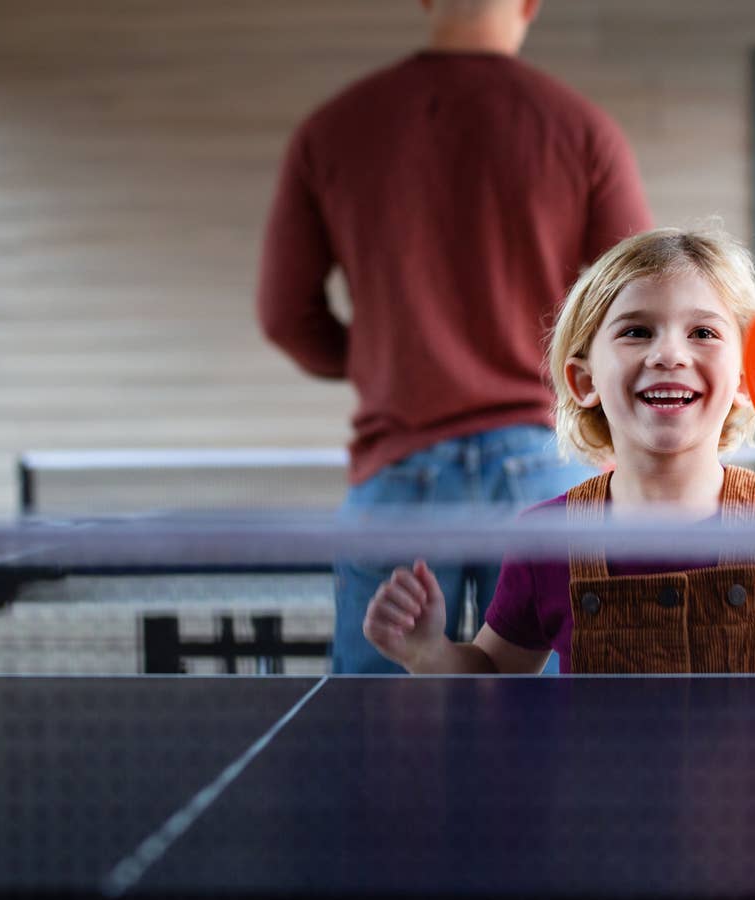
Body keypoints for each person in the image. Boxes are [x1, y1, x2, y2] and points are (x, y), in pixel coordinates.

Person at [362, 226, 755, 674]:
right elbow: (493, 673)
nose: (670, 353)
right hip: (597, 831)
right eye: (636, 330)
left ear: (749, 380)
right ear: (583, 381)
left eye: (703, 332)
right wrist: (430, 652)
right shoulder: (547, 541)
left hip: (749, 831)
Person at [258, 0, 653, 673]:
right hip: (548, 477)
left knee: (381, 742)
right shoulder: (583, 130)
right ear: (530, 4)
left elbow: (284, 315)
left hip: (398, 481)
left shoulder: (333, 130)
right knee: (554, 740)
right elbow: (641, 309)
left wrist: (383, 361)